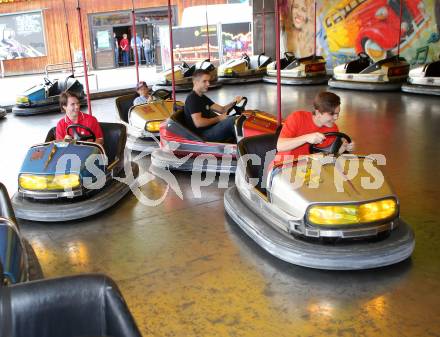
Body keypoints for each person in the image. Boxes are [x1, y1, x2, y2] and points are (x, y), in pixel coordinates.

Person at [275, 91, 354, 163]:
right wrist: (306, 138)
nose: (336, 118)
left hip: (307, 168)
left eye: (337, 113)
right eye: (332, 114)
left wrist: (340, 150)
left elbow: (325, 158)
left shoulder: (333, 128)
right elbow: (280, 146)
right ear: (318, 113)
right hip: (282, 165)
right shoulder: (297, 118)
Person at [184, 69, 243, 142]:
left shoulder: (202, 97)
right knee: (233, 120)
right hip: (202, 135)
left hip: (210, 129)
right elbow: (198, 123)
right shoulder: (192, 99)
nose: (208, 84)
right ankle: (243, 146)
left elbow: (222, 110)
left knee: (239, 118)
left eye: (208, 81)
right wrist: (219, 118)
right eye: (204, 81)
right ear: (195, 82)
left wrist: (234, 102)